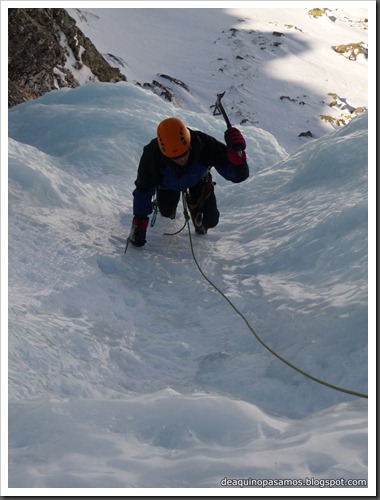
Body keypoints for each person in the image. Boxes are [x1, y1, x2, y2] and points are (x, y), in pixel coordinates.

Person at [129, 117, 249, 247]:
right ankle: (168, 204)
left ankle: (196, 208)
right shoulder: (152, 155)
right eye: (175, 158)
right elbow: (143, 189)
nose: (181, 160)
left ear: (190, 144)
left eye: (184, 154)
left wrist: (238, 160)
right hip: (168, 186)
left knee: (210, 221)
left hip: (197, 180)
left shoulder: (204, 144)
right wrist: (139, 223)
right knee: (166, 212)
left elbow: (237, 177)